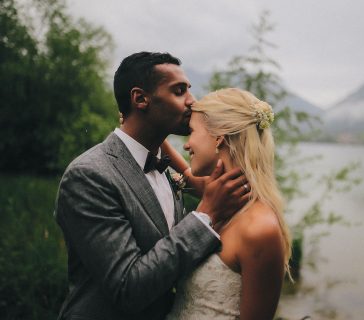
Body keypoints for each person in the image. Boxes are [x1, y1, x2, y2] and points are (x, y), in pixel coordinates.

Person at [54, 52, 249, 320]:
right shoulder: (89, 176)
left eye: (189, 90)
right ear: (140, 99)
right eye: (179, 91)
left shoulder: (164, 166)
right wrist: (205, 216)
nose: (193, 102)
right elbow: (127, 288)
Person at [166, 88, 292, 320]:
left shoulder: (259, 228)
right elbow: (188, 174)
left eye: (192, 132)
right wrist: (154, 135)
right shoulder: (222, 197)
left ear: (218, 137)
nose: (187, 144)